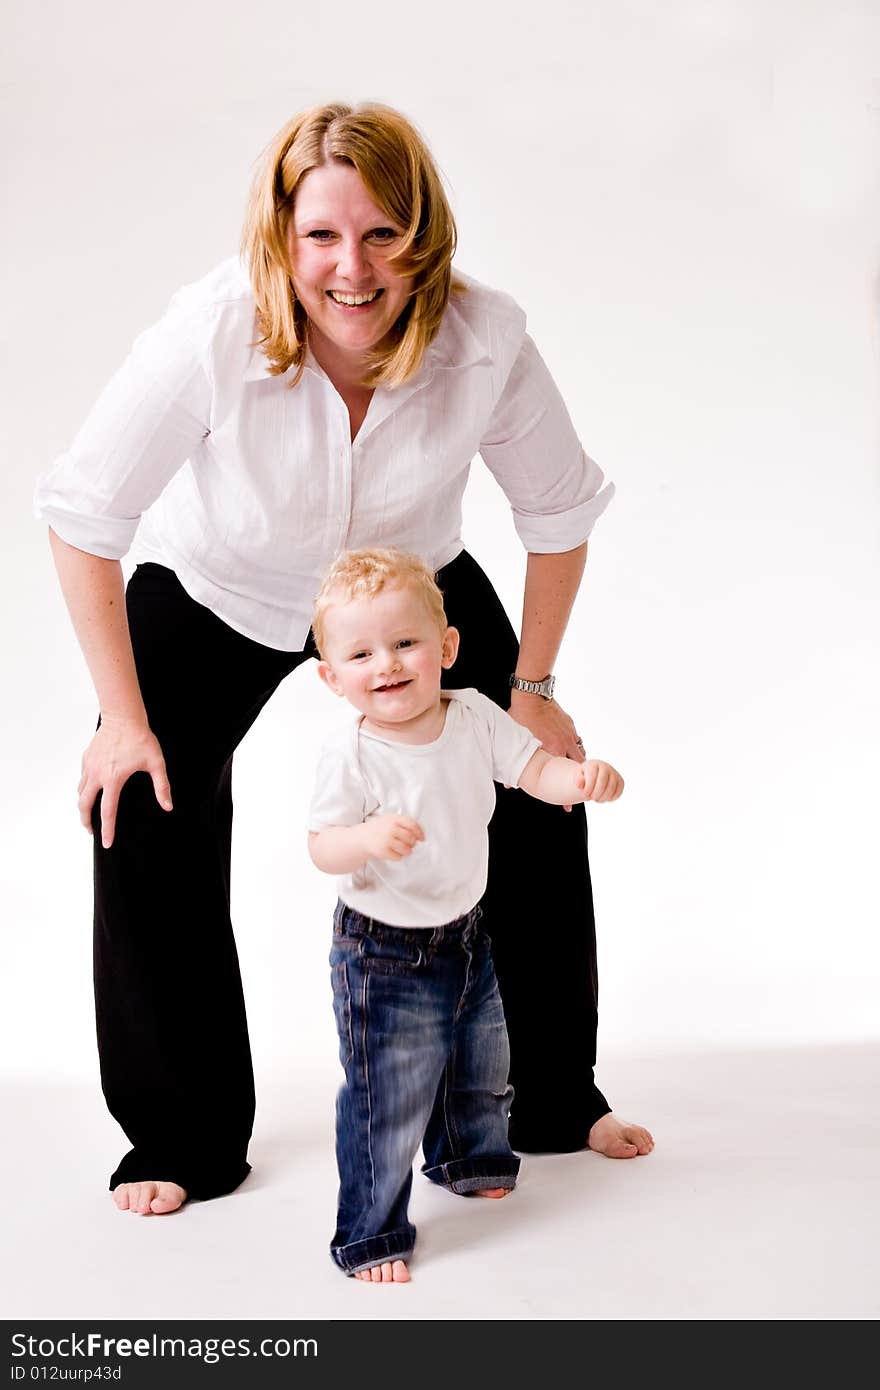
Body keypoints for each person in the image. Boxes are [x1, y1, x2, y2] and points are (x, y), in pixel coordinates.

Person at [34, 100, 652, 1217]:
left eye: (380, 236)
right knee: (138, 806)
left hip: (407, 585)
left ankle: (550, 1096)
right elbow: (82, 516)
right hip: (221, 585)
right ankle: (182, 1133)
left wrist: (533, 689)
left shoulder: (484, 340)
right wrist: (121, 719)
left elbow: (558, 512)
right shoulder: (210, 332)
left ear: (424, 236)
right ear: (282, 239)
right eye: (321, 235)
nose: (351, 269)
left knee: (537, 791)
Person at [308, 547, 626, 1282]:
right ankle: (371, 1231)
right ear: (332, 676)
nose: (386, 664)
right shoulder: (351, 752)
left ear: (446, 647)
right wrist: (364, 839)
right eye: (361, 653)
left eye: (406, 643)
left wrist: (575, 777)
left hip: (466, 932)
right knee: (387, 1094)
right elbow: (322, 845)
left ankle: (468, 1154)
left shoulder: (474, 716)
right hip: (380, 953)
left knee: (482, 1061)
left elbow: (529, 770)